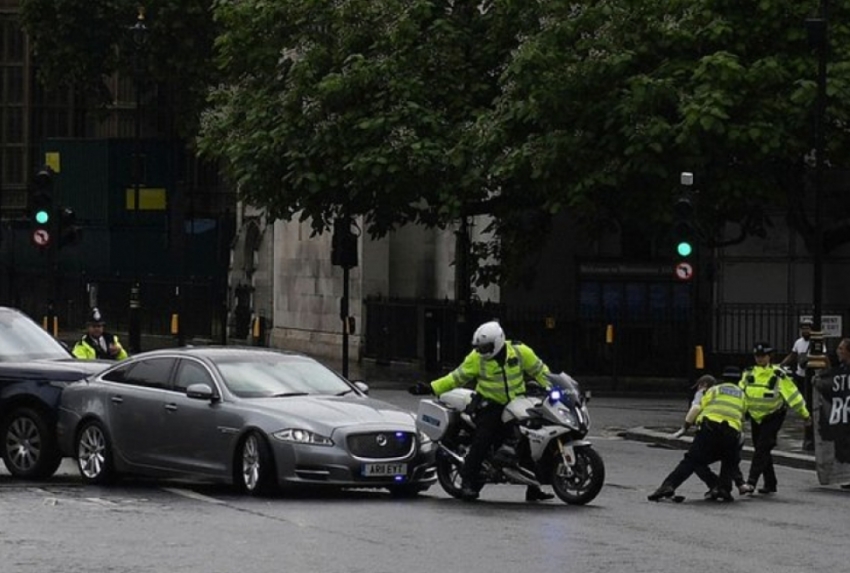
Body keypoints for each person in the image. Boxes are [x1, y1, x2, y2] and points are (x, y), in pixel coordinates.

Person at [410, 320, 553, 502]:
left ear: (499, 341)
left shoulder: (519, 351)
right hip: (490, 405)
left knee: (529, 438)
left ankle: (534, 488)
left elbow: (540, 370)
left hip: (517, 403)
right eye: (479, 348)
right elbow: (456, 377)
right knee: (483, 439)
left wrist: (551, 386)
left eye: (485, 347)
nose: (482, 351)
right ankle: (467, 482)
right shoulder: (476, 359)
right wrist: (431, 387)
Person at [648, 372, 748, 502]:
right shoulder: (742, 395)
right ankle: (723, 489)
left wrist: (685, 428)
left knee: (691, 460)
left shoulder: (714, 390)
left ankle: (668, 486)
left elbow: (696, 408)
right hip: (731, 433)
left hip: (710, 429)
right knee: (729, 460)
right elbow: (743, 417)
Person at [738, 341, 812, 495]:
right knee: (762, 448)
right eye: (757, 356)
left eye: (762, 356)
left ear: (769, 356)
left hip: (773, 415)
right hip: (755, 417)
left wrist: (805, 415)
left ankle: (751, 482)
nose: (759, 359)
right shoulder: (748, 373)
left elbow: (793, 396)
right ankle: (770, 483)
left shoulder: (779, 374)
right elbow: (740, 393)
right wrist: (739, 413)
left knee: (762, 447)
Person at [781, 317, 814, 450]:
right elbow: (793, 355)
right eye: (803, 328)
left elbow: (821, 356)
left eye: (807, 328)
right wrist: (782, 364)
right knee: (799, 398)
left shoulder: (815, 343)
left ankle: (808, 424)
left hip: (810, 375)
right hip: (800, 375)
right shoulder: (798, 342)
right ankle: (804, 418)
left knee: (808, 401)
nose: (805, 331)